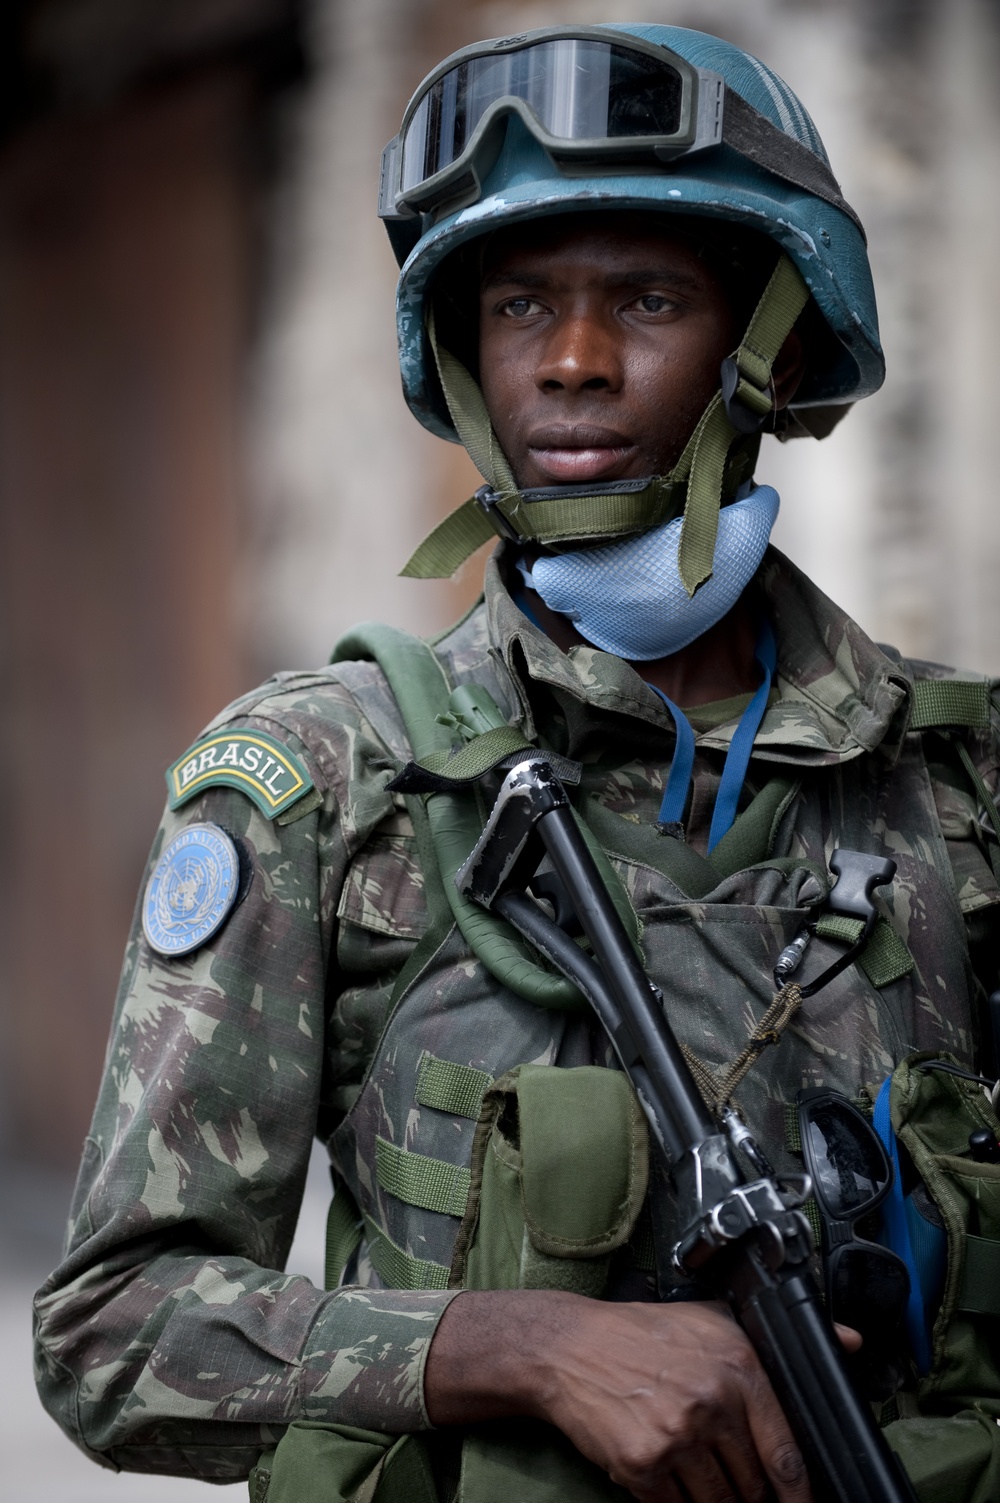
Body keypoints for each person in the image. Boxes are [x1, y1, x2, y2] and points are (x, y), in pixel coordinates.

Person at [33, 23, 1000, 1503]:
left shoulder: (960, 778)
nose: (572, 363)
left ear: (779, 347)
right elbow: (114, 1333)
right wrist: (519, 1348)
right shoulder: (328, 776)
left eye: (650, 300)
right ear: (462, 353)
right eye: (518, 305)